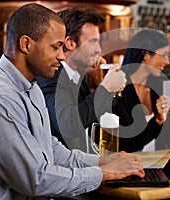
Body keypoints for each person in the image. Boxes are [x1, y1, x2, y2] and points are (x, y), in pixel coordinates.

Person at [0, 3, 144, 199]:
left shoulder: (30, 87)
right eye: (55, 47)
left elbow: (51, 149)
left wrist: (102, 162)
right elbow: (37, 179)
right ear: (26, 44)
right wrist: (105, 173)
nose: (61, 56)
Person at [37, 8, 126, 151]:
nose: (99, 50)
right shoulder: (50, 76)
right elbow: (67, 125)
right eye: (93, 42)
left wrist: (100, 84)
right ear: (70, 43)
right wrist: (106, 88)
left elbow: (103, 120)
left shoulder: (78, 77)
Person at [112, 29, 170, 152]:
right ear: (146, 55)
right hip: (127, 167)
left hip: (157, 165)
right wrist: (157, 122)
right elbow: (126, 144)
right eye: (164, 55)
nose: (167, 62)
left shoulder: (160, 87)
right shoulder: (118, 90)